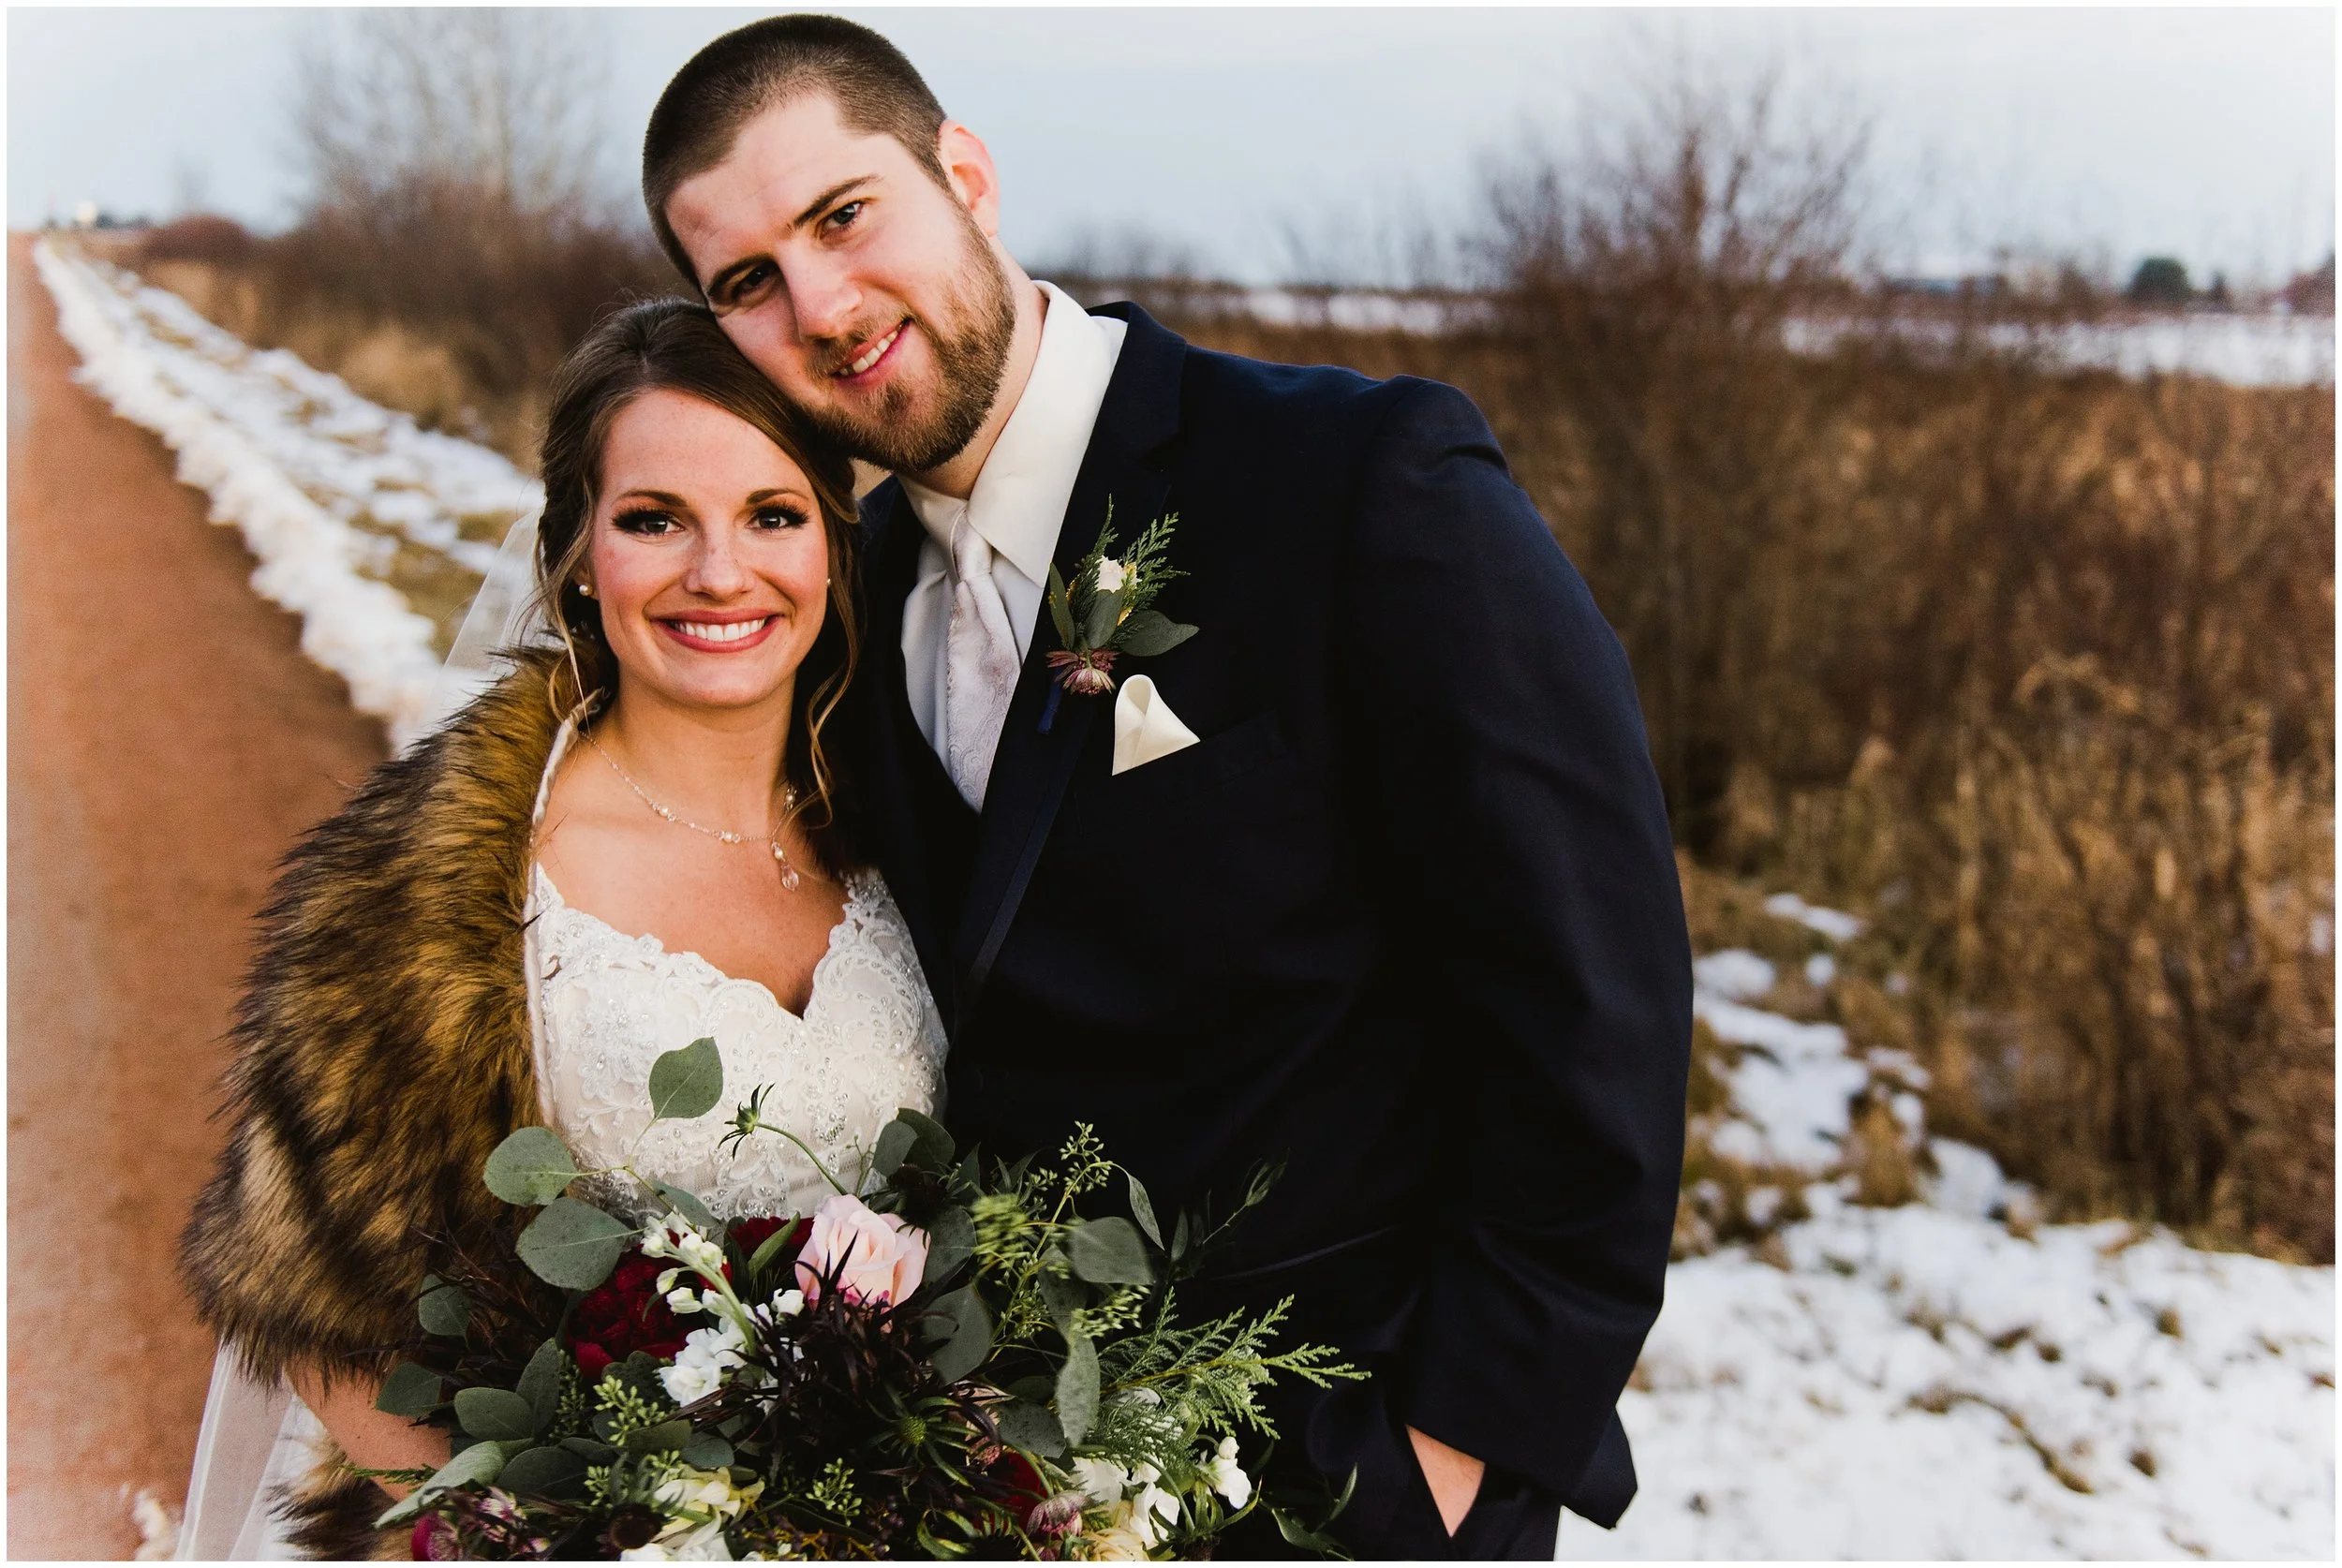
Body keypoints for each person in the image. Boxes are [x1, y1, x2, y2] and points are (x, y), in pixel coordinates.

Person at [644, 14, 1693, 1559]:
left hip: (1353, 1470)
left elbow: (1594, 990)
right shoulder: (838, 607)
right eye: (746, 281)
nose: (823, 307)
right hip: (1004, 1490)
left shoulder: (1358, 484)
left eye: (843, 215)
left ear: (965, 175)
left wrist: (1447, 1456)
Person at [173, 300, 946, 1560]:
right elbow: (328, 1314)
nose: (719, 572)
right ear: (579, 551)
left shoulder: (905, 828)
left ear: (832, 545)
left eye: (772, 514)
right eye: (653, 519)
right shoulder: (441, 886)